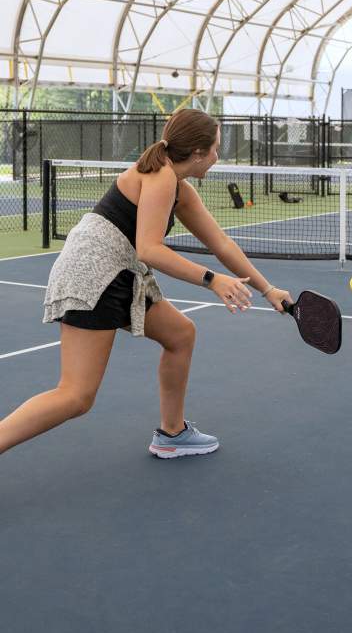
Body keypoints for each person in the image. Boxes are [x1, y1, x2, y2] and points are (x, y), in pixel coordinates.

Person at [0, 109, 292, 460]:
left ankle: (173, 434)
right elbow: (150, 249)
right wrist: (212, 280)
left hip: (121, 272)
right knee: (76, 396)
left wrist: (267, 289)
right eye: (215, 149)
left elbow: (222, 244)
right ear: (197, 153)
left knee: (180, 334)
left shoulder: (179, 189)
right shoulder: (160, 177)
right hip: (93, 274)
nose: (218, 156)